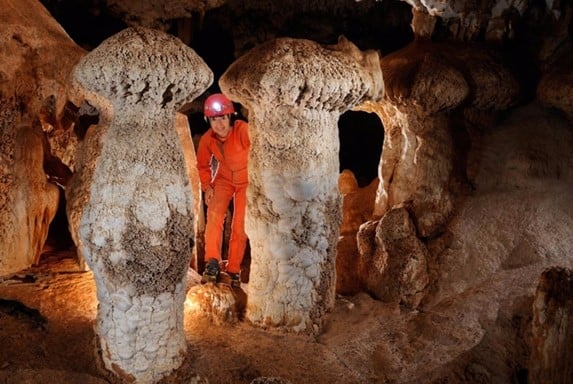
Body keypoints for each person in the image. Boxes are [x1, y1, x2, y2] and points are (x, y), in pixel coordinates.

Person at [197, 93, 250, 287]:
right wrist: (207, 187)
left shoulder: (242, 130)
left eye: (222, 118)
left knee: (240, 223)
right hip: (225, 178)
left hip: (247, 180)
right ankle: (212, 262)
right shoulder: (207, 140)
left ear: (230, 117)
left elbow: (259, 151)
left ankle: (234, 269)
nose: (219, 124)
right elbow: (202, 166)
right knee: (215, 214)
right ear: (208, 121)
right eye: (214, 119)